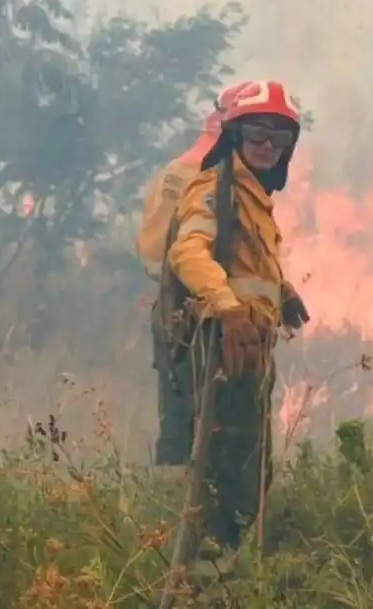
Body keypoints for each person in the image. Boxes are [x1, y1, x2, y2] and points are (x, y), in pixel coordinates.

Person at [155, 79, 311, 567]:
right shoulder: (214, 189)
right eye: (258, 133)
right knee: (227, 468)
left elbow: (245, 263)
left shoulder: (253, 197)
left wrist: (281, 292)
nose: (268, 145)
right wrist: (227, 307)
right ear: (235, 134)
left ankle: (234, 567)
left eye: (279, 137)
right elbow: (188, 252)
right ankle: (210, 573)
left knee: (252, 465)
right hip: (223, 348)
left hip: (253, 350)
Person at [138, 80, 250, 468]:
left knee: (178, 415)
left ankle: (173, 498)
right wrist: (222, 297)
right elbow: (188, 251)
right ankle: (191, 500)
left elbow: (150, 250)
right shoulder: (214, 175)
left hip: (172, 307)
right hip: (200, 313)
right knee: (209, 420)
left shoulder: (176, 169)